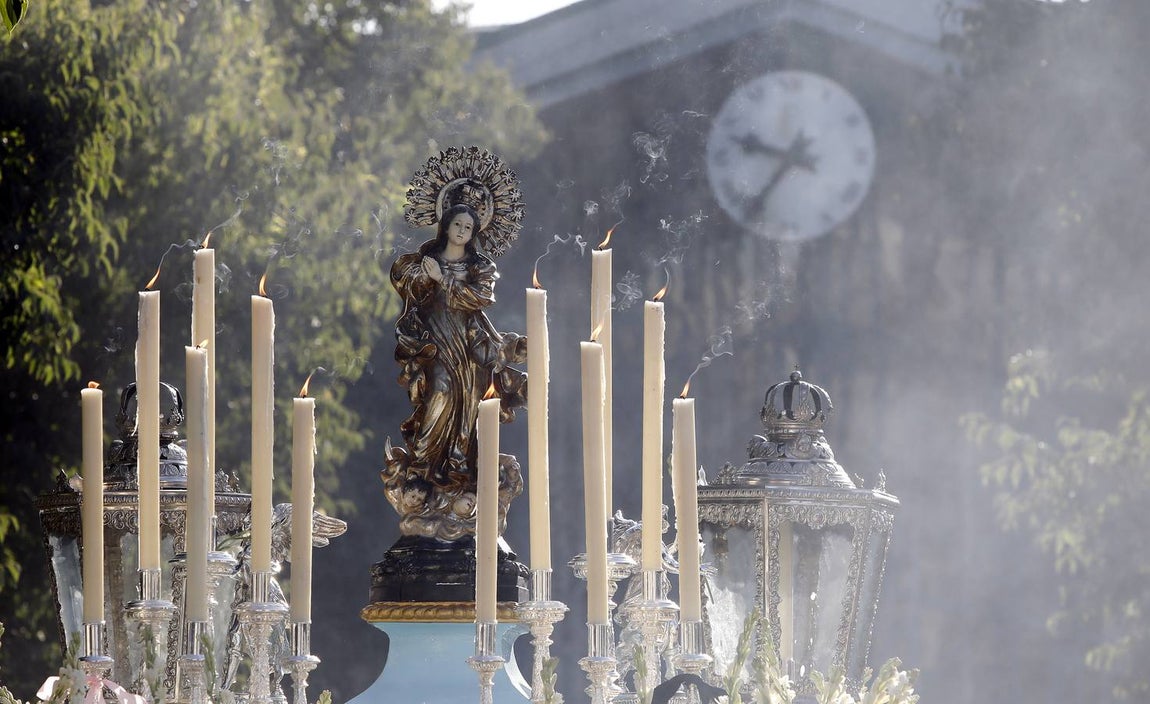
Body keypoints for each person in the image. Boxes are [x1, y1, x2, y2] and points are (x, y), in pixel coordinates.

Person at [389, 203, 526, 491]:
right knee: (440, 391)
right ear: (446, 226)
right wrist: (426, 277)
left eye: (468, 227)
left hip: (468, 343)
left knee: (468, 403)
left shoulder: (480, 266)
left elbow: (480, 298)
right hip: (435, 339)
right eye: (457, 225)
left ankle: (458, 465)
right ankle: (422, 465)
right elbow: (408, 286)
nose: (462, 231)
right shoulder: (427, 258)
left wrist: (443, 279)